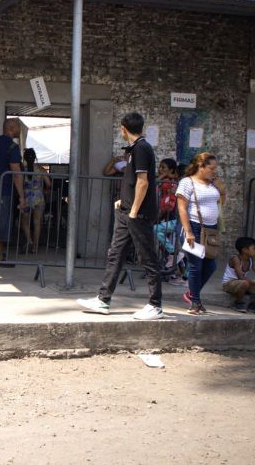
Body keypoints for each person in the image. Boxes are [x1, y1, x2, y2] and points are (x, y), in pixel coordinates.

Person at [77, 112, 164, 320]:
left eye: (120, 128)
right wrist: (124, 201)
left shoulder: (142, 148)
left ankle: (155, 305)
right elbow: (133, 181)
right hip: (126, 211)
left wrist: (133, 209)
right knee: (115, 254)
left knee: (147, 257)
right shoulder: (134, 149)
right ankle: (103, 299)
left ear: (124, 128)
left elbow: (143, 182)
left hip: (138, 214)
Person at [176, 152, 226, 315]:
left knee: (210, 265)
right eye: (211, 168)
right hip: (193, 227)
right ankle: (195, 302)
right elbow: (182, 208)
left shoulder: (213, 184)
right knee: (196, 265)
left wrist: (222, 191)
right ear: (201, 166)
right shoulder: (187, 182)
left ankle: (191, 294)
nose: (214, 171)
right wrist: (188, 231)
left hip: (211, 229)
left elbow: (220, 205)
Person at [0, 118, 26, 266]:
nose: (20, 131)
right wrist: (21, 196)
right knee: (2, 224)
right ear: (12, 128)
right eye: (19, 128)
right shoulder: (12, 147)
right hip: (4, 190)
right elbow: (16, 173)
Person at [222, 237, 255, 314]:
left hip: (243, 283)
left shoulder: (251, 259)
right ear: (244, 250)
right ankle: (238, 303)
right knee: (245, 282)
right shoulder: (236, 259)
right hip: (229, 283)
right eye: (254, 248)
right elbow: (241, 277)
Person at [19, 148, 51, 254]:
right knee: (37, 223)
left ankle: (29, 240)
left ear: (25, 158)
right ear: (35, 157)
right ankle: (35, 248)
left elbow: (19, 183)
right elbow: (49, 184)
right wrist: (45, 190)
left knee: (24, 222)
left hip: (26, 197)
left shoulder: (22, 170)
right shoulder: (41, 170)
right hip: (38, 197)